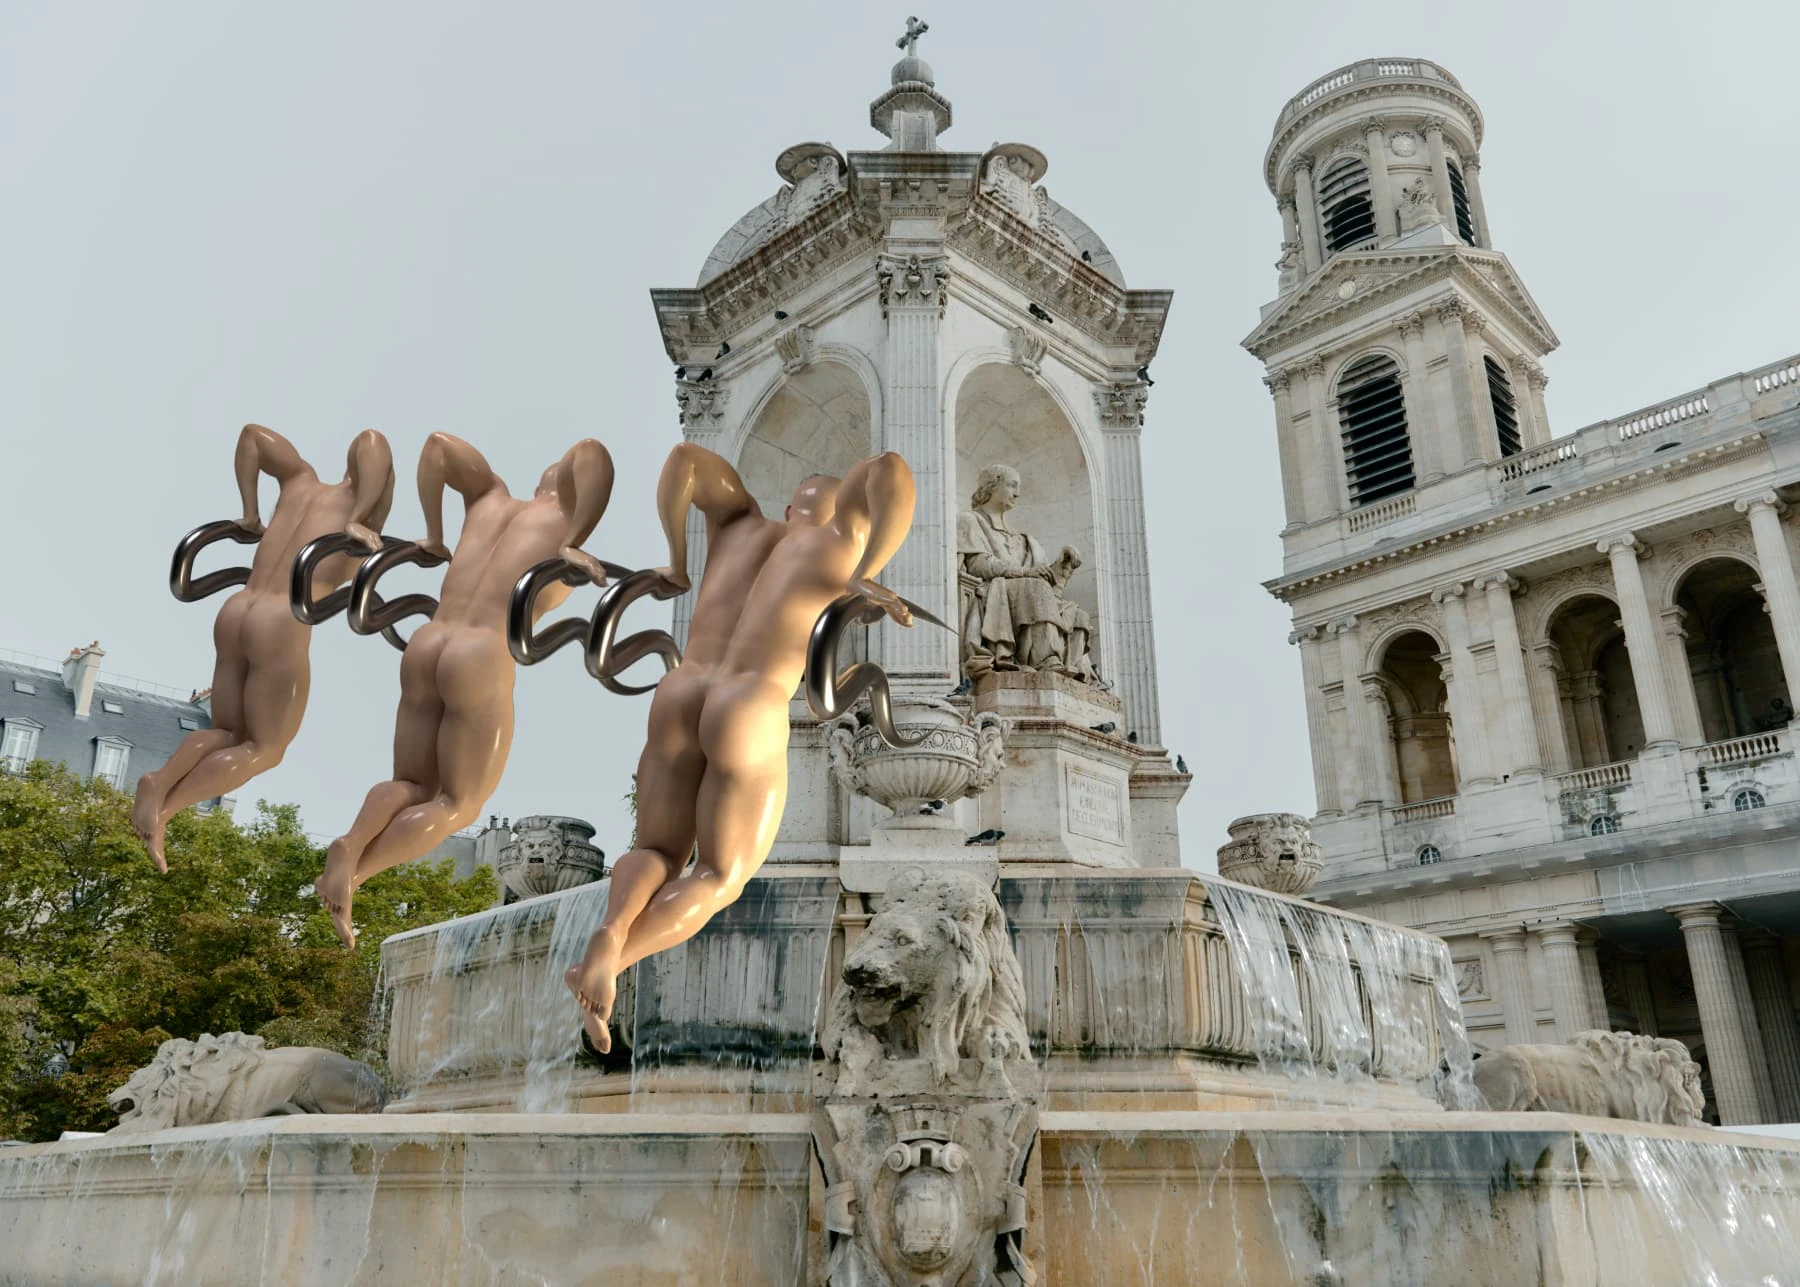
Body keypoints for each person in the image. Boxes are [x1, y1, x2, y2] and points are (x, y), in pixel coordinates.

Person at [564, 443, 915, 1052]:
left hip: (682, 690)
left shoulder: (738, 524)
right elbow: (890, 470)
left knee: (655, 849)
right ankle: (615, 960)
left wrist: (677, 562)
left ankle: (612, 927)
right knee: (718, 874)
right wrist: (869, 569)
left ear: (789, 508)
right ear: (837, 508)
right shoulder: (837, 539)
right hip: (748, 703)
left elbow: (684, 460)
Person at [314, 433, 614, 946]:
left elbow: (437, 447)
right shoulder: (565, 520)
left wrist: (434, 536)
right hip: (480, 653)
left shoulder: (488, 497)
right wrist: (574, 541)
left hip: (428, 641)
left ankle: (351, 842)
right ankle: (357, 874)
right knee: (459, 803)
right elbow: (591, 453)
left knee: (410, 782)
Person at [132, 424, 394, 871]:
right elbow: (373, 443)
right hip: (280, 619)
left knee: (225, 733)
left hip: (237, 609)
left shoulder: (300, 481)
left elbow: (252, 436)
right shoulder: (365, 517)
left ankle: (159, 782)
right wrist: (358, 520)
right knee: (265, 748)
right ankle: (166, 808)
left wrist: (250, 515)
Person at [956, 463, 1095, 681]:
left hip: (1025, 592)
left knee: (1078, 615)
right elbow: (977, 564)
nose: (1017, 493)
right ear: (992, 486)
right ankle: (1046, 660)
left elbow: (1047, 585)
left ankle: (1072, 677)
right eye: (1012, 485)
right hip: (994, 592)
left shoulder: (1024, 539)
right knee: (1034, 587)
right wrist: (1024, 573)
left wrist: (1062, 567)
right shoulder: (970, 520)